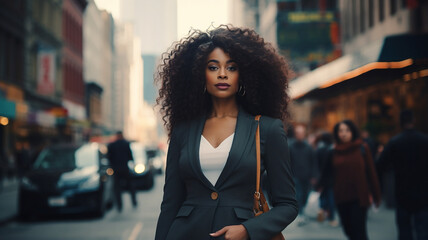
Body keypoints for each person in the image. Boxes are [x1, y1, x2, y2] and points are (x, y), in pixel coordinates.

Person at [155, 25, 298, 240]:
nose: (222, 74)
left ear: (244, 75)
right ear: (198, 74)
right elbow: (170, 203)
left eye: (231, 68)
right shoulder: (183, 131)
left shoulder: (267, 129)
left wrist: (248, 230)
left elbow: (287, 205)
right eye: (213, 67)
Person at [317, 120, 381, 240]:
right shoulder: (333, 151)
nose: (344, 133)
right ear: (336, 133)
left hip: (360, 197)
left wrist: (376, 195)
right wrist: (320, 189)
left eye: (347, 130)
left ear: (352, 132)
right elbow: (326, 173)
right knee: (348, 231)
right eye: (340, 131)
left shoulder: (362, 148)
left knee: (360, 233)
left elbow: (371, 173)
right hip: (341, 197)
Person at [377, 110, 428, 240]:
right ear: (413, 120)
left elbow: (380, 165)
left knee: (404, 229)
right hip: (423, 191)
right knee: (422, 228)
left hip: (402, 191)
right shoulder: (424, 140)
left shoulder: (394, 142)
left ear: (400, 122)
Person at [288, 124, 316, 225]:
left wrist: (313, 176)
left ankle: (302, 211)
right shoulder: (291, 146)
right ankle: (300, 214)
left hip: (307, 176)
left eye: (301, 133)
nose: (299, 135)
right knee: (298, 195)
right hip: (295, 176)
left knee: (305, 195)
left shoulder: (308, 147)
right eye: (298, 133)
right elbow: (288, 162)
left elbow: (313, 162)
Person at [107, 131, 137, 211]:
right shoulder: (126, 144)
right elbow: (130, 156)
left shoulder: (112, 145)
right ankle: (134, 201)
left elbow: (109, 158)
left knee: (117, 188)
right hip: (125, 168)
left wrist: (112, 165)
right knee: (130, 186)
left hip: (116, 169)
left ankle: (119, 206)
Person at [314, 132, 338, 227]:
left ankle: (321, 211)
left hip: (321, 176)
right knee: (330, 197)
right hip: (331, 177)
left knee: (323, 195)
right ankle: (331, 217)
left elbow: (316, 164)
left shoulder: (319, 149)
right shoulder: (332, 149)